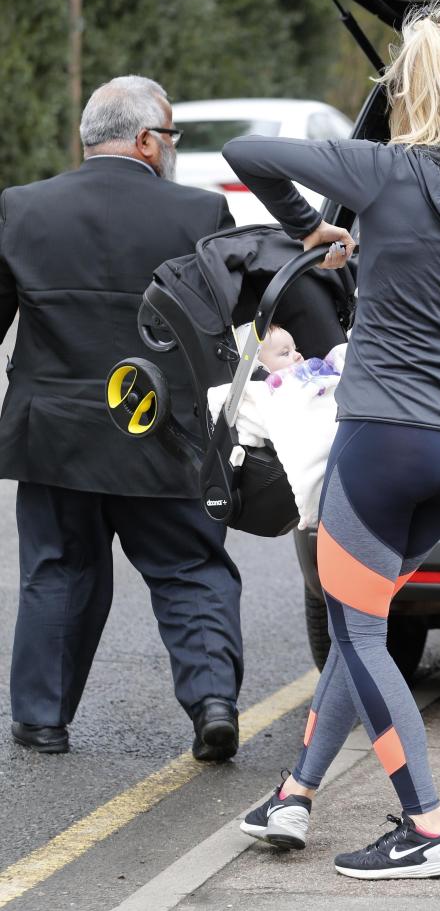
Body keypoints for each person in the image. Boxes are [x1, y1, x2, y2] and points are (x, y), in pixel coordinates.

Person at [223, 4, 440, 878]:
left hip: (384, 438)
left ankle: (429, 826)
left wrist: (312, 229)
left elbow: (245, 153)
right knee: (360, 615)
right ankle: (294, 793)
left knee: (358, 632)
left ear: (410, 86)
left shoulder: (379, 169)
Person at [0, 75, 243, 761]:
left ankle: (43, 719)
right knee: (190, 567)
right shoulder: (199, 214)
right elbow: (221, 328)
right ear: (143, 140)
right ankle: (212, 703)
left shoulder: (22, 208)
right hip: (162, 431)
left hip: (55, 436)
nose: (172, 149)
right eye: (170, 136)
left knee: (58, 569)